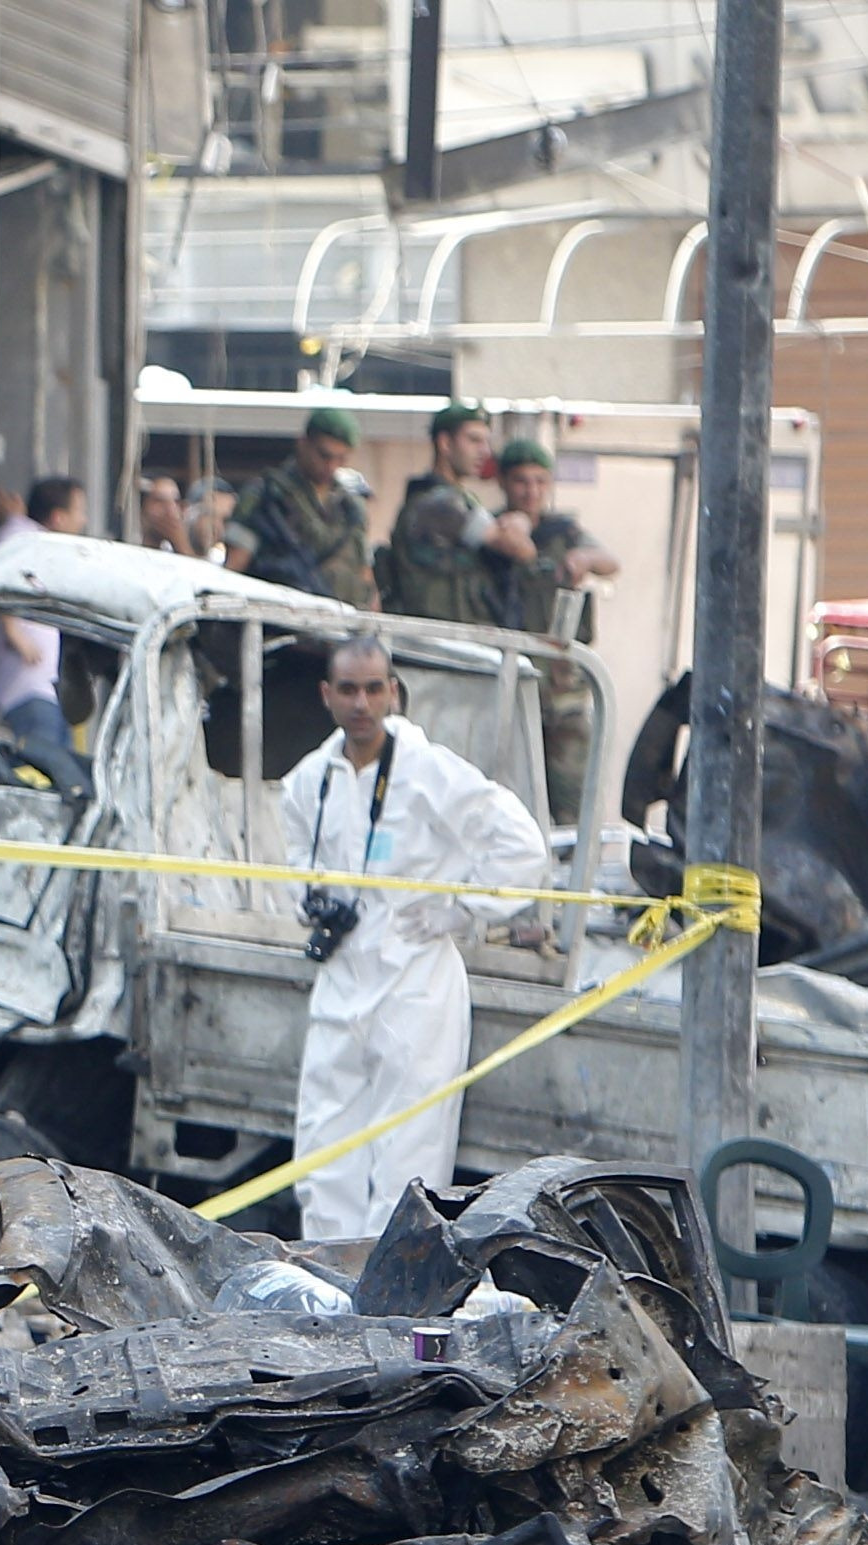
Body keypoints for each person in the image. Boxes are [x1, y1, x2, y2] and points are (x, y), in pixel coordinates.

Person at [280, 635, 555, 1244]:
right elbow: (295, 861)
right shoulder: (308, 783)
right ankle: (328, 1277)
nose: (361, 703)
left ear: (393, 693)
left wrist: (463, 910)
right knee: (325, 1148)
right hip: (342, 979)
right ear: (327, 695)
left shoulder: (430, 772)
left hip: (415, 984)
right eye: (348, 690)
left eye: (373, 689)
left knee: (409, 1154)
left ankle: (393, 1286)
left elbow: (521, 845)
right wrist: (310, 900)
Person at [484, 438, 620, 827]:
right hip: (505, 683)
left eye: (540, 482)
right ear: (504, 483)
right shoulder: (492, 532)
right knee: (505, 798)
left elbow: (610, 562)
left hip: (561, 688)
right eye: (521, 481)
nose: (531, 491)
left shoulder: (563, 532)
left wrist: (583, 558)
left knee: (570, 798)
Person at [0, 475, 89, 781]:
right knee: (38, 777)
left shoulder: (38, 542)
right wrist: (12, 631)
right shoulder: (22, 536)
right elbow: (1, 578)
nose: (83, 521)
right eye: (79, 511)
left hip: (45, 691)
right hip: (27, 689)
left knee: (64, 777)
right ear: (58, 517)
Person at [223, 406, 375, 608]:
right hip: (282, 620)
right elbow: (233, 570)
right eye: (324, 455)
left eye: (341, 459)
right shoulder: (266, 497)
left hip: (346, 620)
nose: (331, 466)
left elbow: (365, 575)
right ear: (303, 443)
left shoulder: (350, 507)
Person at [380, 402, 499, 624]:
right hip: (432, 635)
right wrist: (519, 524)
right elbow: (509, 543)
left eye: (486, 442)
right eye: (474, 440)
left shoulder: (459, 498)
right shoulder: (439, 503)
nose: (485, 451)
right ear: (445, 443)